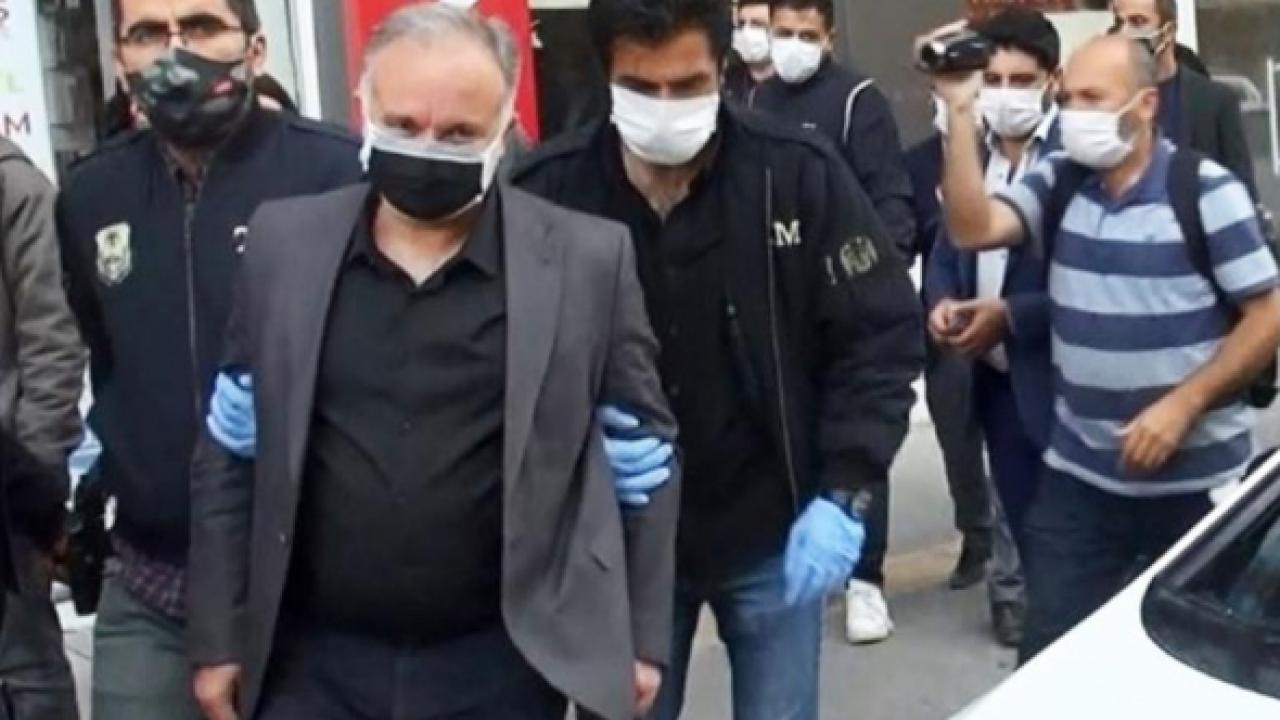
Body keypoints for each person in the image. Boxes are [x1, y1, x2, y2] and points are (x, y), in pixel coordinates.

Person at [185, 5, 680, 720]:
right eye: (404, 125)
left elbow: (645, 460)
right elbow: (231, 454)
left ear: (505, 129)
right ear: (364, 107)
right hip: (313, 665)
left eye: (458, 135)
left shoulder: (586, 262)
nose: (427, 148)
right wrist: (217, 636)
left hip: (503, 664)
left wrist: (643, 640)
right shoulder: (283, 246)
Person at [513, 0, 923, 715]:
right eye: (641, 87)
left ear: (723, 68)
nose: (664, 106)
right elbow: (498, 360)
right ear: (606, 76)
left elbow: (879, 337)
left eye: (687, 85)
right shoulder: (549, 193)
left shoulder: (793, 174)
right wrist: (569, 445)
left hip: (771, 532)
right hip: (619, 546)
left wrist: (845, 489)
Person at [930, 31, 1280, 662]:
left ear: (1145, 104)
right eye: (1068, 98)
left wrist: (1183, 404)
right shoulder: (1060, 182)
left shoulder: (1204, 191)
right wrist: (958, 111)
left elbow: (1268, 313)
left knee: (1194, 665)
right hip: (1081, 483)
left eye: (1093, 98)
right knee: (1052, 660)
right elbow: (973, 227)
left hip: (1196, 490)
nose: (1074, 114)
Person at [55, 1, 363, 717]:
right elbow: (104, 351)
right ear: (120, 61)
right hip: (152, 582)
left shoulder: (333, 172)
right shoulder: (92, 192)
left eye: (200, 27)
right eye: (147, 34)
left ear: (255, 48)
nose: (175, 52)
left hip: (309, 586)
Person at [920, 7, 1062, 648]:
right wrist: (942, 300)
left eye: (1021, 80)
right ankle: (1026, 612)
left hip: (1058, 380)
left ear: (1051, 80)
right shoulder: (969, 152)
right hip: (994, 381)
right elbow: (947, 245)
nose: (1005, 95)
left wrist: (1011, 318)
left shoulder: (1072, 159)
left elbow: (1088, 284)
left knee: (1068, 539)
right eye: (994, 80)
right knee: (1018, 517)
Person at [0, 139, 86, 720]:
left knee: (26, 677)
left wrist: (33, 477)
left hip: (8, 492)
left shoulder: (15, 190)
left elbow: (53, 341)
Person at [751, 0, 915, 258]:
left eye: (807, 36)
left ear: (829, 39)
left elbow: (889, 198)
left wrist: (884, 267)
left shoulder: (858, 100)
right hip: (776, 260)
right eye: (784, 34)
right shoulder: (756, 100)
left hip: (841, 260)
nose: (794, 45)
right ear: (770, 32)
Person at [1111, 0, 1257, 196]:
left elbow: (1243, 192)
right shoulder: (1108, 100)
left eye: (1138, 22)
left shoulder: (1215, 102)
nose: (1125, 33)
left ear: (1168, 31)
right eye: (1119, 23)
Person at [723, 0, 773, 102]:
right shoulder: (727, 82)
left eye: (757, 24)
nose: (746, 31)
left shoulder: (795, 90)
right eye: (741, 24)